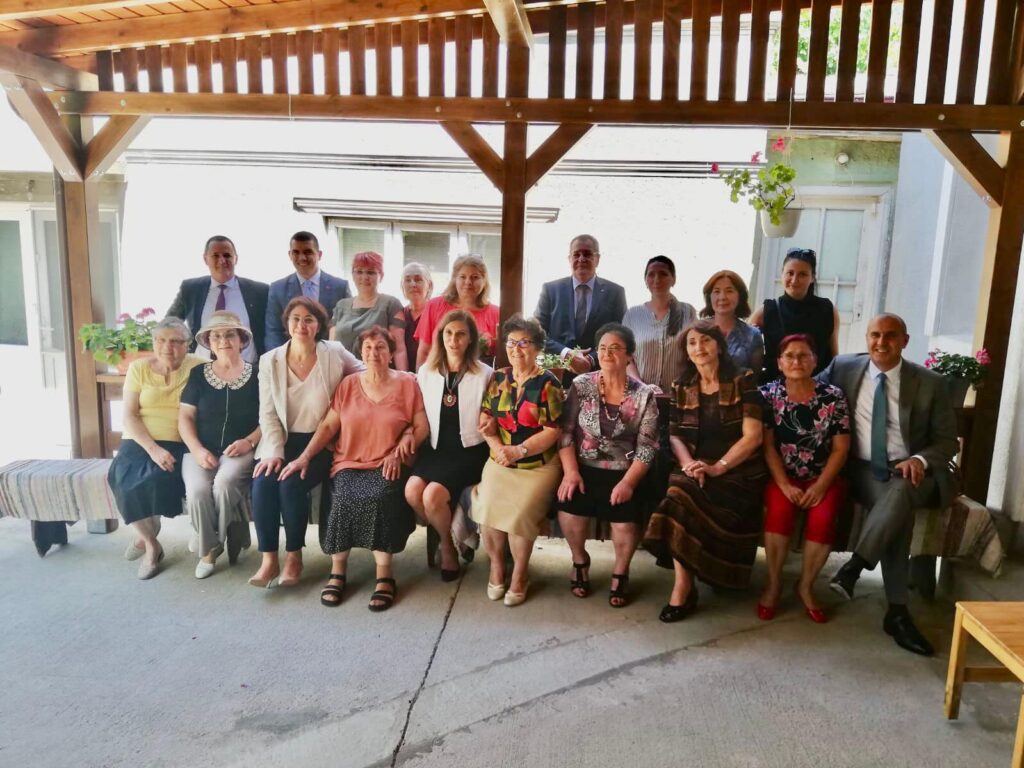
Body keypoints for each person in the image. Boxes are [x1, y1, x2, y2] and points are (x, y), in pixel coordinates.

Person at [821, 313, 958, 656]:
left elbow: (947, 442)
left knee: (902, 489)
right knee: (897, 509)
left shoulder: (930, 383)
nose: (881, 342)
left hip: (916, 472)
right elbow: (804, 387)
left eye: (891, 335)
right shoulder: (843, 368)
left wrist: (920, 460)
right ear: (866, 338)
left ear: (905, 341)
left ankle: (854, 568)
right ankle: (897, 614)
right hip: (862, 471)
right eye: (875, 335)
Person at [280, 326, 428, 611]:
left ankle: (384, 575)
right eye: (368, 348)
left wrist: (402, 446)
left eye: (380, 347)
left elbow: (421, 426)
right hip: (349, 461)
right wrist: (304, 457)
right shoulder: (348, 385)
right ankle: (338, 571)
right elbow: (328, 426)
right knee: (342, 498)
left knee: (380, 497)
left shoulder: (408, 383)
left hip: (388, 462)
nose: (374, 353)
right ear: (361, 353)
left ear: (391, 353)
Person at [643, 320, 767, 621]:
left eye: (706, 340)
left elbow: (753, 437)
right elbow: (675, 435)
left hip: (737, 469)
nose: (699, 347)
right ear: (686, 351)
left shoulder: (743, 379)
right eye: (692, 342)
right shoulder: (681, 385)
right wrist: (689, 464)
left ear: (719, 346)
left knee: (681, 495)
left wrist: (717, 468)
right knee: (678, 492)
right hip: (693, 463)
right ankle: (684, 587)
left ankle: (697, 580)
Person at [249, 296, 364, 589]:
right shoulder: (270, 360)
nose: (302, 325)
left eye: (309, 319)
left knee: (291, 483)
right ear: (287, 323)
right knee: (263, 483)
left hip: (321, 442)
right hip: (281, 440)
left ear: (319, 325)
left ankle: (294, 557)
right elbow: (267, 412)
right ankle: (268, 560)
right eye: (296, 319)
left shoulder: (334, 352)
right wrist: (274, 453)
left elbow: (366, 373)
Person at [557, 323, 659, 608]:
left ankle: (621, 571)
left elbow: (647, 447)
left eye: (615, 348)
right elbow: (565, 433)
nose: (607, 354)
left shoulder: (644, 394)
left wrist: (628, 483)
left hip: (626, 470)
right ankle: (580, 560)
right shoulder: (581, 385)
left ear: (629, 355)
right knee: (569, 508)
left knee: (624, 523)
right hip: (583, 466)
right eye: (602, 348)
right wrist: (571, 472)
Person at [759, 334, 850, 623]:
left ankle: (806, 586)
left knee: (824, 517)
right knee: (779, 512)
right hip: (781, 476)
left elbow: (841, 447)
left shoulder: (833, 396)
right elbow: (767, 445)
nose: (796, 361)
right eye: (789, 356)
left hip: (822, 476)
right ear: (779, 362)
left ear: (815, 361)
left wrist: (821, 485)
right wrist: (784, 484)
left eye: (803, 355)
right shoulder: (768, 394)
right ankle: (774, 584)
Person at [473, 315, 564, 606]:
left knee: (520, 515)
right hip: (500, 460)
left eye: (524, 343)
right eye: (511, 343)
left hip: (537, 465)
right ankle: (497, 567)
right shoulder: (499, 378)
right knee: (487, 509)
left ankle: (520, 575)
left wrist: (519, 451)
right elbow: (486, 418)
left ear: (537, 348)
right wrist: (498, 446)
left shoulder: (548, 383)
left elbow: (553, 431)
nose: (516, 349)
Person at [108, 317, 204, 579]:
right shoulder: (139, 368)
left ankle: (147, 531)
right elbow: (129, 415)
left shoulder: (198, 366)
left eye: (175, 341)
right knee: (121, 480)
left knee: (157, 478)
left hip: (178, 441)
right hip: (139, 440)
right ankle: (151, 544)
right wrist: (153, 449)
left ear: (187, 345)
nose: (167, 347)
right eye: (160, 340)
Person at [406, 310, 492, 579]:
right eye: (448, 334)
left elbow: (492, 415)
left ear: (471, 339)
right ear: (440, 337)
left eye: (461, 334)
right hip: (435, 449)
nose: (454, 340)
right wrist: (408, 434)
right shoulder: (426, 372)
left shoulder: (484, 374)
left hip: (470, 451)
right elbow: (417, 414)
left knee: (432, 496)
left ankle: (447, 549)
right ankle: (456, 534)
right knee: (412, 491)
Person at [178, 311, 262, 579]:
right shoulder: (198, 375)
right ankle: (213, 542)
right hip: (199, 448)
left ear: (241, 340)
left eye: (229, 335)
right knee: (197, 491)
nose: (223, 341)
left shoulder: (258, 375)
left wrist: (249, 441)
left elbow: (270, 418)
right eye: (216, 336)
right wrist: (197, 449)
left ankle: (208, 549)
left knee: (224, 485)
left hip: (239, 450)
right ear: (209, 343)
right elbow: (185, 417)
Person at [166, 235, 269, 362]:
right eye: (215, 256)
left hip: (248, 368)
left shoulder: (260, 291)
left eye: (227, 255)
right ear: (205, 259)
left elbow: (273, 330)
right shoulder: (191, 289)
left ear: (236, 258)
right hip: (201, 366)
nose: (222, 260)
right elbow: (169, 323)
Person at [534, 234, 628, 374]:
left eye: (587, 254)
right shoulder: (550, 290)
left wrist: (591, 359)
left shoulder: (615, 292)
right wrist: (567, 354)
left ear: (597, 259)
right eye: (576, 254)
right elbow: (536, 333)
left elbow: (619, 335)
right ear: (569, 259)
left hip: (598, 373)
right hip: (556, 373)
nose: (581, 259)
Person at [751, 247, 840, 383]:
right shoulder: (766, 311)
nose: (794, 280)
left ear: (812, 277)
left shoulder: (827, 309)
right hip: (777, 389)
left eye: (802, 274)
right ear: (782, 274)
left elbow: (834, 355)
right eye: (790, 273)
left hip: (818, 387)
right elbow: (747, 349)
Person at [265, 231, 351, 350]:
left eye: (308, 252)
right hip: (292, 357)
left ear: (319, 254)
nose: (302, 258)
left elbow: (347, 327)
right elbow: (273, 331)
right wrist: (280, 358)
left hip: (329, 355)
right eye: (296, 252)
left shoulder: (340, 287)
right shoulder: (277, 289)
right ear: (289, 255)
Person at [622, 256, 697, 393]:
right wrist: (641, 386)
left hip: (679, 395)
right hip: (640, 395)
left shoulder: (687, 312)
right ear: (645, 280)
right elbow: (626, 358)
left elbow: (694, 353)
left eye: (663, 274)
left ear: (673, 279)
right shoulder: (633, 315)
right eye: (651, 274)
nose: (657, 279)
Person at [414, 254, 500, 369]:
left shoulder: (496, 313)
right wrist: (420, 377)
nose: (468, 282)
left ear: (484, 281)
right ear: (455, 279)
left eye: (475, 277)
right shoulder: (434, 306)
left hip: (479, 377)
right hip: (438, 375)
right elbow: (424, 351)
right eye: (463, 277)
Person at [329, 251, 408, 370]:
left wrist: (403, 377)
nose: (365, 277)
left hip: (377, 375)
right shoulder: (341, 306)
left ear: (381, 276)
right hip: (341, 374)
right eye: (359, 272)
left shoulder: (391, 304)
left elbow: (399, 350)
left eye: (371, 272)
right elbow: (331, 346)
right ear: (352, 275)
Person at [698, 269, 764, 374]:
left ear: (740, 296)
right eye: (717, 291)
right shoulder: (697, 331)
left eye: (729, 291)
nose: (722, 297)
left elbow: (755, 377)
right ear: (709, 297)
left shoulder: (752, 335)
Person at [400, 262, 433, 372]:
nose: (413, 284)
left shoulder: (436, 313)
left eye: (418, 280)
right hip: (403, 375)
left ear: (429, 285)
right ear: (402, 286)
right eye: (407, 280)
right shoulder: (399, 315)